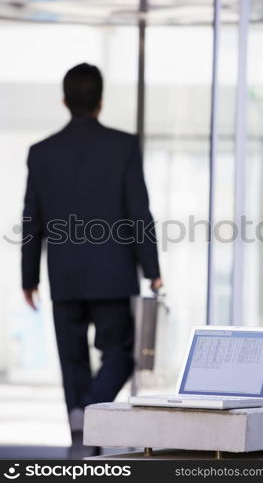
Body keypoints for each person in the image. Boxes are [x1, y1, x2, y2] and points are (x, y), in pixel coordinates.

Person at [21, 63, 162, 458]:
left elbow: (31, 220)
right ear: (101, 101)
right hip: (113, 275)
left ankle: (80, 421)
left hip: (63, 275)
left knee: (72, 356)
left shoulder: (41, 152)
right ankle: (92, 411)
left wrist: (28, 276)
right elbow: (139, 213)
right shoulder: (124, 146)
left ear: (65, 101)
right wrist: (153, 271)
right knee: (120, 351)